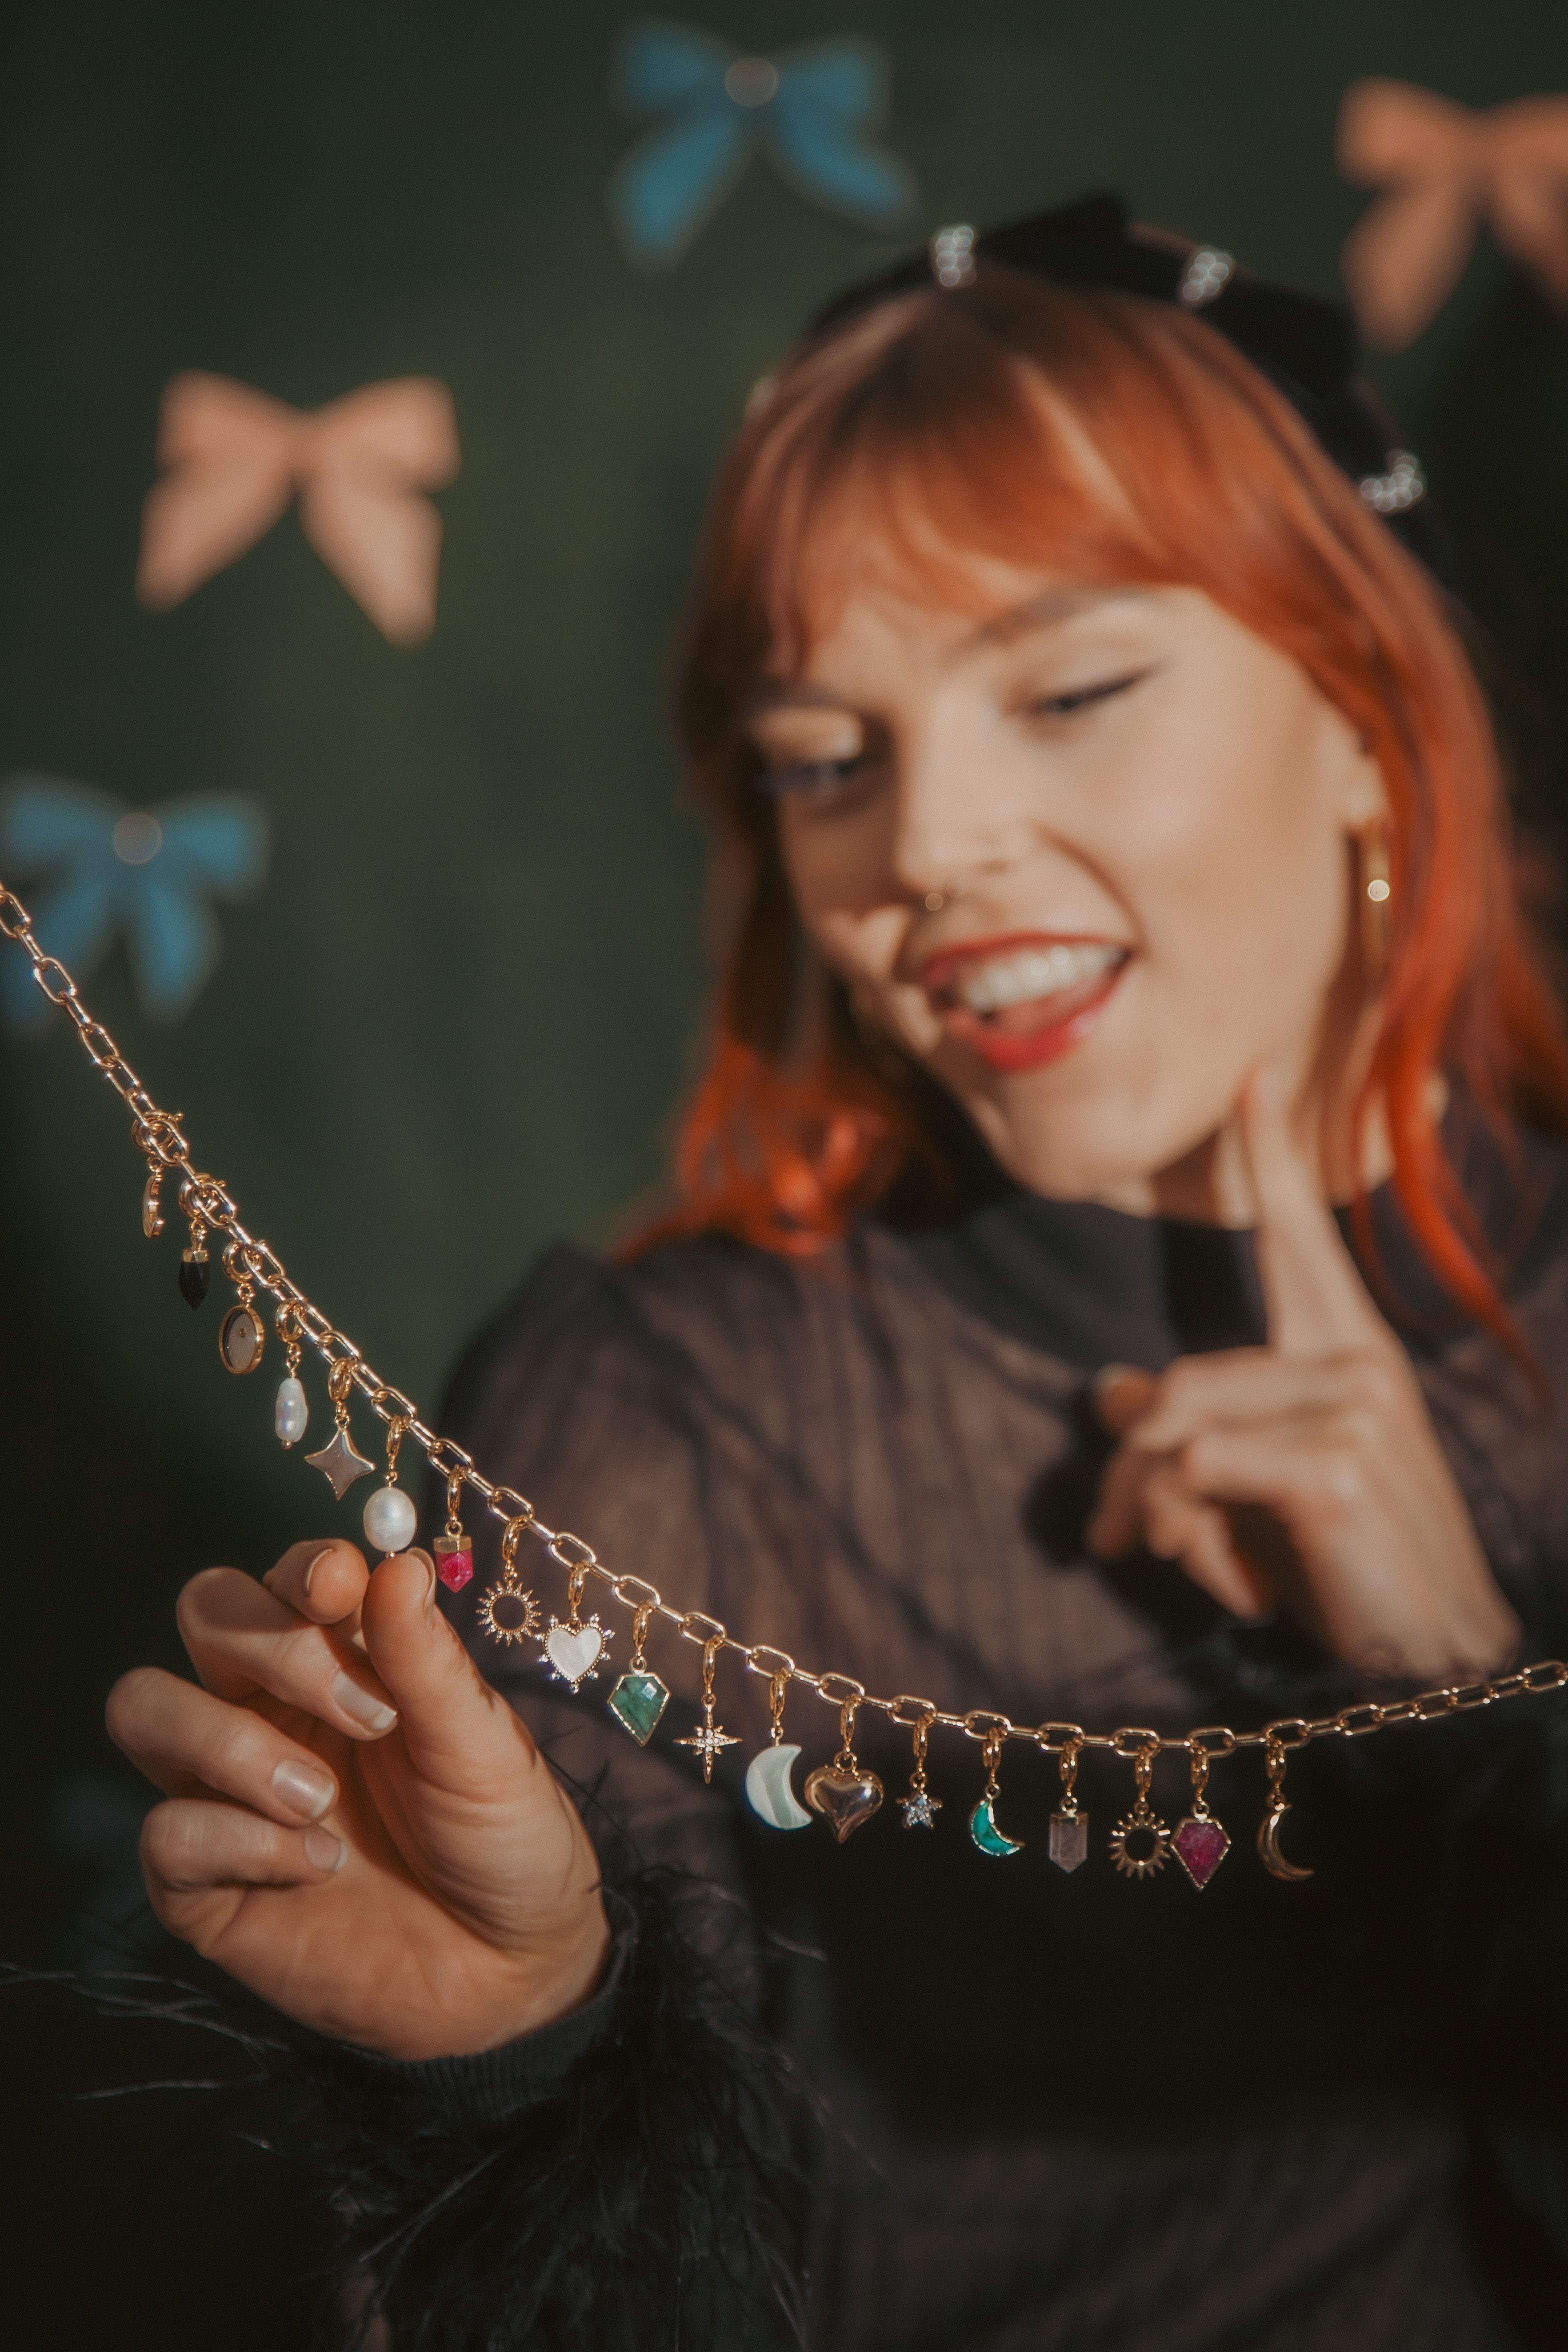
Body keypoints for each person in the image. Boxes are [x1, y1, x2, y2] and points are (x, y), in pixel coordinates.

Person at [104, 197, 1568, 2349]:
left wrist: (1474, 1691)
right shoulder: (665, 1421)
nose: (925, 853)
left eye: (1069, 688)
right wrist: (526, 2063)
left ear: (1363, 706)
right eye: (824, 762)